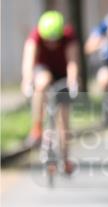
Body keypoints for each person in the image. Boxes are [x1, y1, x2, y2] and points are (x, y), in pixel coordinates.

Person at [20, 11, 80, 172]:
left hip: (62, 74)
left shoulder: (68, 36)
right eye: (48, 40)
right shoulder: (35, 36)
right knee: (42, 82)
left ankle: (65, 158)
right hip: (43, 70)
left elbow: (72, 62)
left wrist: (73, 82)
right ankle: (37, 127)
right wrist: (27, 82)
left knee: (64, 120)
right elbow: (28, 62)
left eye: (55, 40)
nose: (52, 44)